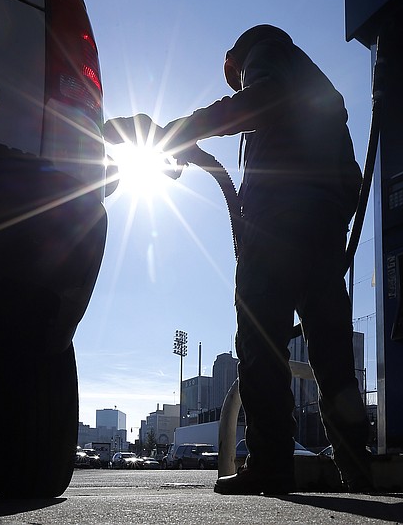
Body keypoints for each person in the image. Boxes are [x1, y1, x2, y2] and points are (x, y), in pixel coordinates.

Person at [160, 25, 371, 495]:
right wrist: (328, 220)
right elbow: (352, 179)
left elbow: (261, 100)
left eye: (236, 80)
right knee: (332, 350)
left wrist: (182, 130)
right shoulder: (320, 89)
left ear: (234, 60)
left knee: (260, 344)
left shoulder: (266, 52)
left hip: (276, 226)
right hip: (320, 229)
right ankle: (357, 465)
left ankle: (272, 463)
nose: (238, 88)